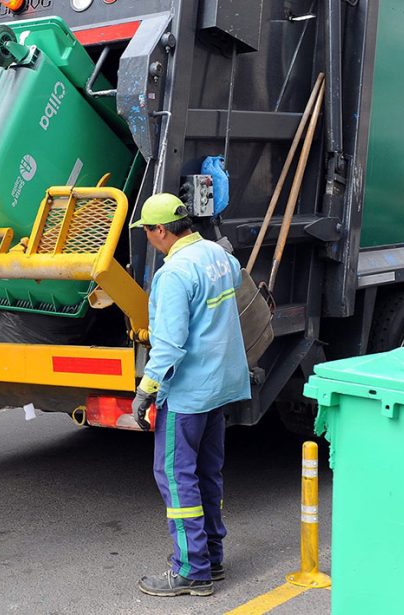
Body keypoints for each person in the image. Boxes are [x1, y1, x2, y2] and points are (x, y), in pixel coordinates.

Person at [128, 193, 250, 597]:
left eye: (147, 231)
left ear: (161, 230)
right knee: (207, 473)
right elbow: (233, 286)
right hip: (220, 387)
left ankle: (190, 570)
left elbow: (170, 343)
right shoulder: (218, 256)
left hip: (187, 394)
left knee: (177, 479)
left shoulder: (174, 273)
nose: (147, 238)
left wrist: (146, 389)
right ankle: (211, 558)